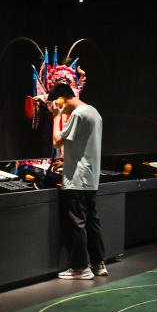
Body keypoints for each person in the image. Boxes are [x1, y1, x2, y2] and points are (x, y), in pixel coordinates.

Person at [47, 83, 106, 279]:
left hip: (77, 178)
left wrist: (56, 117)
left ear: (61, 99)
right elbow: (79, 144)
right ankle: (99, 264)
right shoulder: (94, 112)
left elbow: (56, 141)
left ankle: (81, 268)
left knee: (77, 223)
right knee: (92, 221)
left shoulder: (78, 114)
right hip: (91, 176)